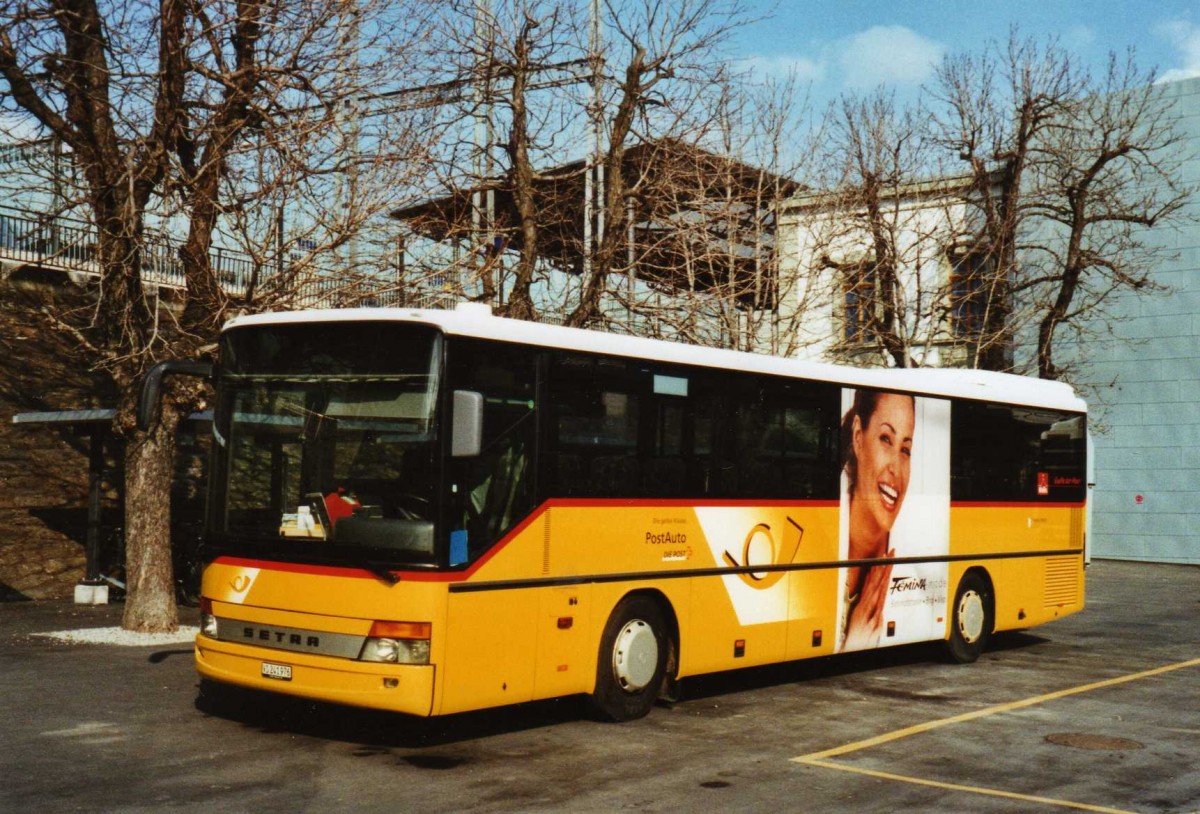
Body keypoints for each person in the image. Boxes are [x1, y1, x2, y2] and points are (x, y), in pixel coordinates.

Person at [840, 390, 915, 651]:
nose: (896, 467)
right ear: (859, 437)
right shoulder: (817, 542)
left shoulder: (911, 572)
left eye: (905, 449)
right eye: (886, 439)